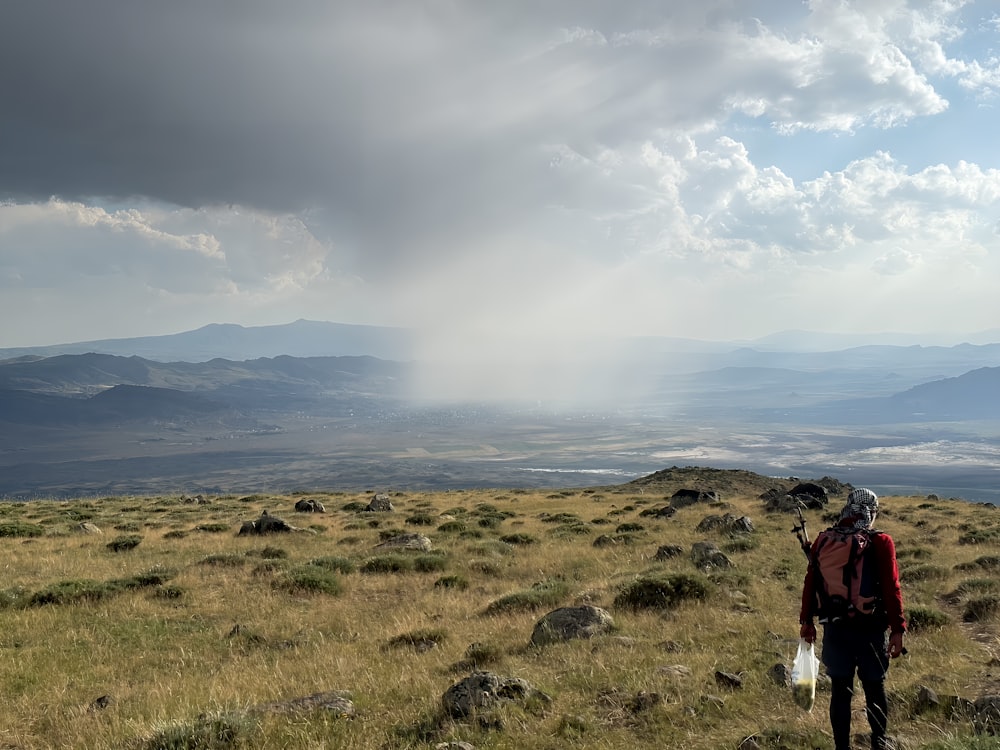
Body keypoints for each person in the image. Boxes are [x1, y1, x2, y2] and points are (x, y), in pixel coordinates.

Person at [799, 487, 906, 750]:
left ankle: (841, 747)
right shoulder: (880, 541)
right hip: (870, 628)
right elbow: (892, 588)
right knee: (874, 687)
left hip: (835, 628)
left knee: (840, 691)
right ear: (872, 511)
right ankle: (879, 742)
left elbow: (811, 582)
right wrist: (898, 629)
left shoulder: (825, 540)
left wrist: (806, 622)